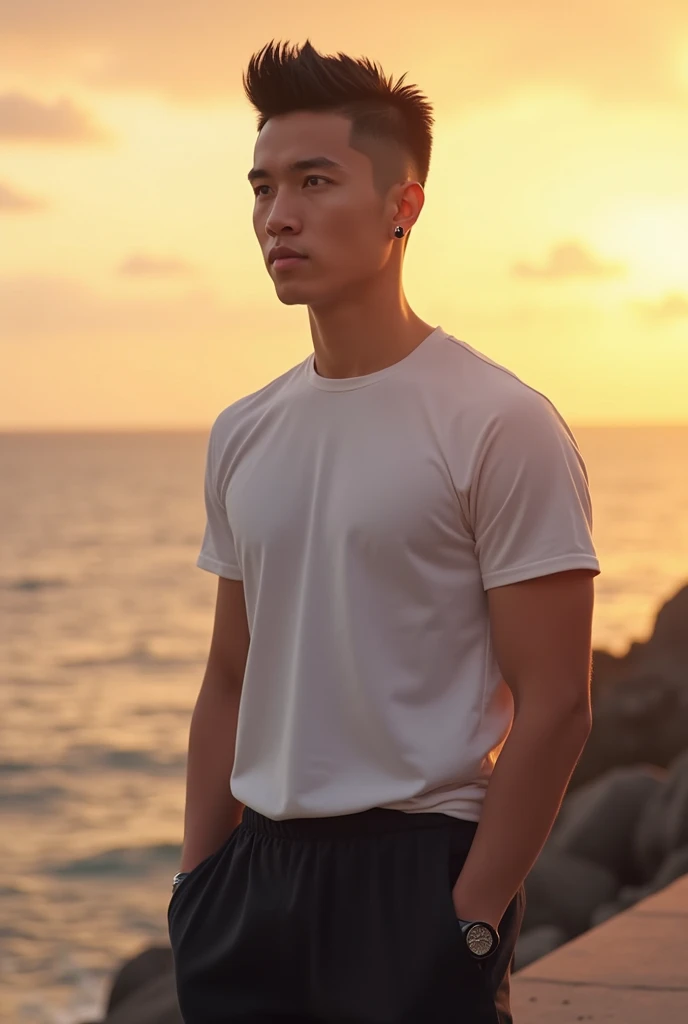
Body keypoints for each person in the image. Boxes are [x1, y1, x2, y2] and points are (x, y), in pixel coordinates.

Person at [167, 38, 601, 1024]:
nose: (279, 215)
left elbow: (557, 704)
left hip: (414, 875)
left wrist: (472, 915)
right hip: (252, 882)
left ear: (402, 206)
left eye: (315, 181)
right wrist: (198, 882)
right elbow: (230, 674)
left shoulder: (498, 421)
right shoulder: (245, 431)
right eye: (264, 186)